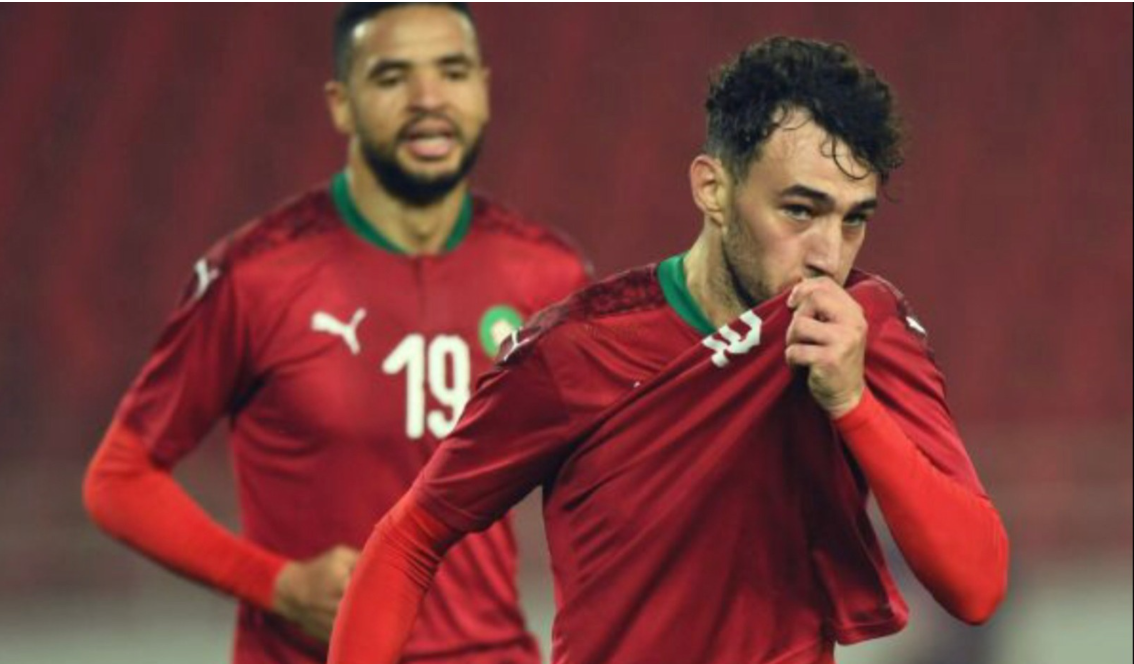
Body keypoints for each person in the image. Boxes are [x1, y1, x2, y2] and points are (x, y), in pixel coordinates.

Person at [328, 36, 1010, 664]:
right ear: (713, 188)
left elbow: (977, 587)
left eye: (853, 218)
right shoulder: (577, 352)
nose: (828, 255)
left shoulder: (862, 332)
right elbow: (410, 540)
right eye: (799, 211)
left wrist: (852, 404)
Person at [83, 4, 589, 664]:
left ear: (484, 90)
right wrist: (280, 586)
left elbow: (612, 485)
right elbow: (119, 479)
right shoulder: (257, 276)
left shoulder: (550, 274)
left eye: (452, 71)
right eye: (392, 77)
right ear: (341, 104)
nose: (428, 99)